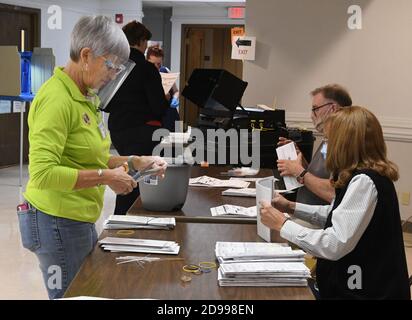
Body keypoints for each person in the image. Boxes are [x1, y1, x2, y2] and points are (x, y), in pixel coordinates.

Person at [17, 16, 167, 299]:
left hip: (78, 217)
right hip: (55, 220)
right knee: (72, 295)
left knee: (90, 291)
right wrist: (107, 177)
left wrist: (134, 161)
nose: (112, 74)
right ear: (86, 56)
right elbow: (43, 173)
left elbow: (89, 158)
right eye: (110, 65)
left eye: (118, 68)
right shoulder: (57, 99)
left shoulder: (85, 96)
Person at [261, 106, 410, 300]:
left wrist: (283, 224)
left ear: (345, 144)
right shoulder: (358, 176)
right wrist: (291, 207)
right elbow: (335, 214)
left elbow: (334, 244)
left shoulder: (365, 181)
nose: (327, 147)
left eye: (330, 140)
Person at [104, 21, 170, 215]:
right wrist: (165, 98)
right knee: (140, 180)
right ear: (141, 41)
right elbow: (158, 107)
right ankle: (128, 218)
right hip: (142, 131)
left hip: (117, 129)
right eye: (145, 42)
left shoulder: (115, 67)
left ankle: (123, 217)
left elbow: (105, 103)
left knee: (128, 171)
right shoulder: (146, 68)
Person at [277, 84, 352, 205]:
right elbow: (318, 176)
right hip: (305, 212)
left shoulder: (345, 142)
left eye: (315, 109)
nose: (311, 116)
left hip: (318, 219)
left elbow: (334, 192)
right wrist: (301, 161)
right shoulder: (328, 137)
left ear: (332, 109)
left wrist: (299, 172)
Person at [146, 45, 180, 132]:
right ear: (147, 61)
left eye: (159, 64)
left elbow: (176, 91)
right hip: (154, 117)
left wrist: (175, 98)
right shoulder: (143, 75)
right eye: (153, 64)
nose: (156, 67)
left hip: (170, 114)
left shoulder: (165, 70)